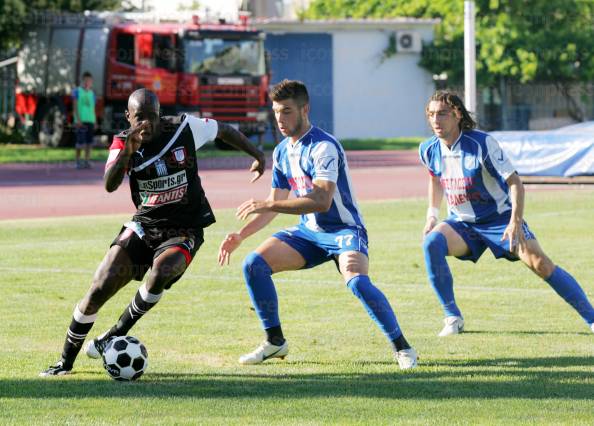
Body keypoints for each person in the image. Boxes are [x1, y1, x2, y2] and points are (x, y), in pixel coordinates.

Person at [40, 88, 265, 376]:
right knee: (101, 284)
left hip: (185, 228)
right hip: (145, 225)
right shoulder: (122, 142)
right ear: (128, 117)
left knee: (162, 271)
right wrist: (127, 153)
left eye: (152, 117)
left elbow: (223, 130)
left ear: (161, 115)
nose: (146, 124)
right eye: (139, 118)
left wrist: (257, 153)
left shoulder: (184, 127)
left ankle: (115, 334)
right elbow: (109, 185)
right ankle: (64, 362)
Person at [218, 79, 417, 369]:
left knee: (358, 282)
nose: (280, 119)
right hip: (308, 233)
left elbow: (321, 200)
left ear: (305, 109)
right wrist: (241, 235)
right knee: (253, 265)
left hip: (344, 230)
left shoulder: (324, 146)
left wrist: (269, 204)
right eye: (275, 112)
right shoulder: (282, 151)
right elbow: (274, 203)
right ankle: (275, 342)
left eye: (286, 111)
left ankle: (403, 349)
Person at [420, 90, 594, 337]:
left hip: (500, 220)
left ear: (457, 114)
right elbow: (435, 179)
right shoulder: (428, 149)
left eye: (443, 114)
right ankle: (452, 317)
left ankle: (592, 318)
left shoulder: (482, 143)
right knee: (432, 243)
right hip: (462, 223)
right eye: (431, 114)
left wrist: (515, 221)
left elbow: (515, 182)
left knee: (540, 264)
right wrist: (432, 215)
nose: (436, 120)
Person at [72, 71, 96, 169]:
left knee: (89, 143)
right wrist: (78, 119)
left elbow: (93, 108)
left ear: (91, 82)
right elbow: (75, 107)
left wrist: (95, 121)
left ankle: (87, 161)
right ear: (82, 81)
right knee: (80, 143)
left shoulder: (92, 93)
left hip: (90, 120)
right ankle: (77, 161)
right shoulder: (77, 91)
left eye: (89, 81)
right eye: (85, 80)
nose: (87, 82)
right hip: (80, 121)